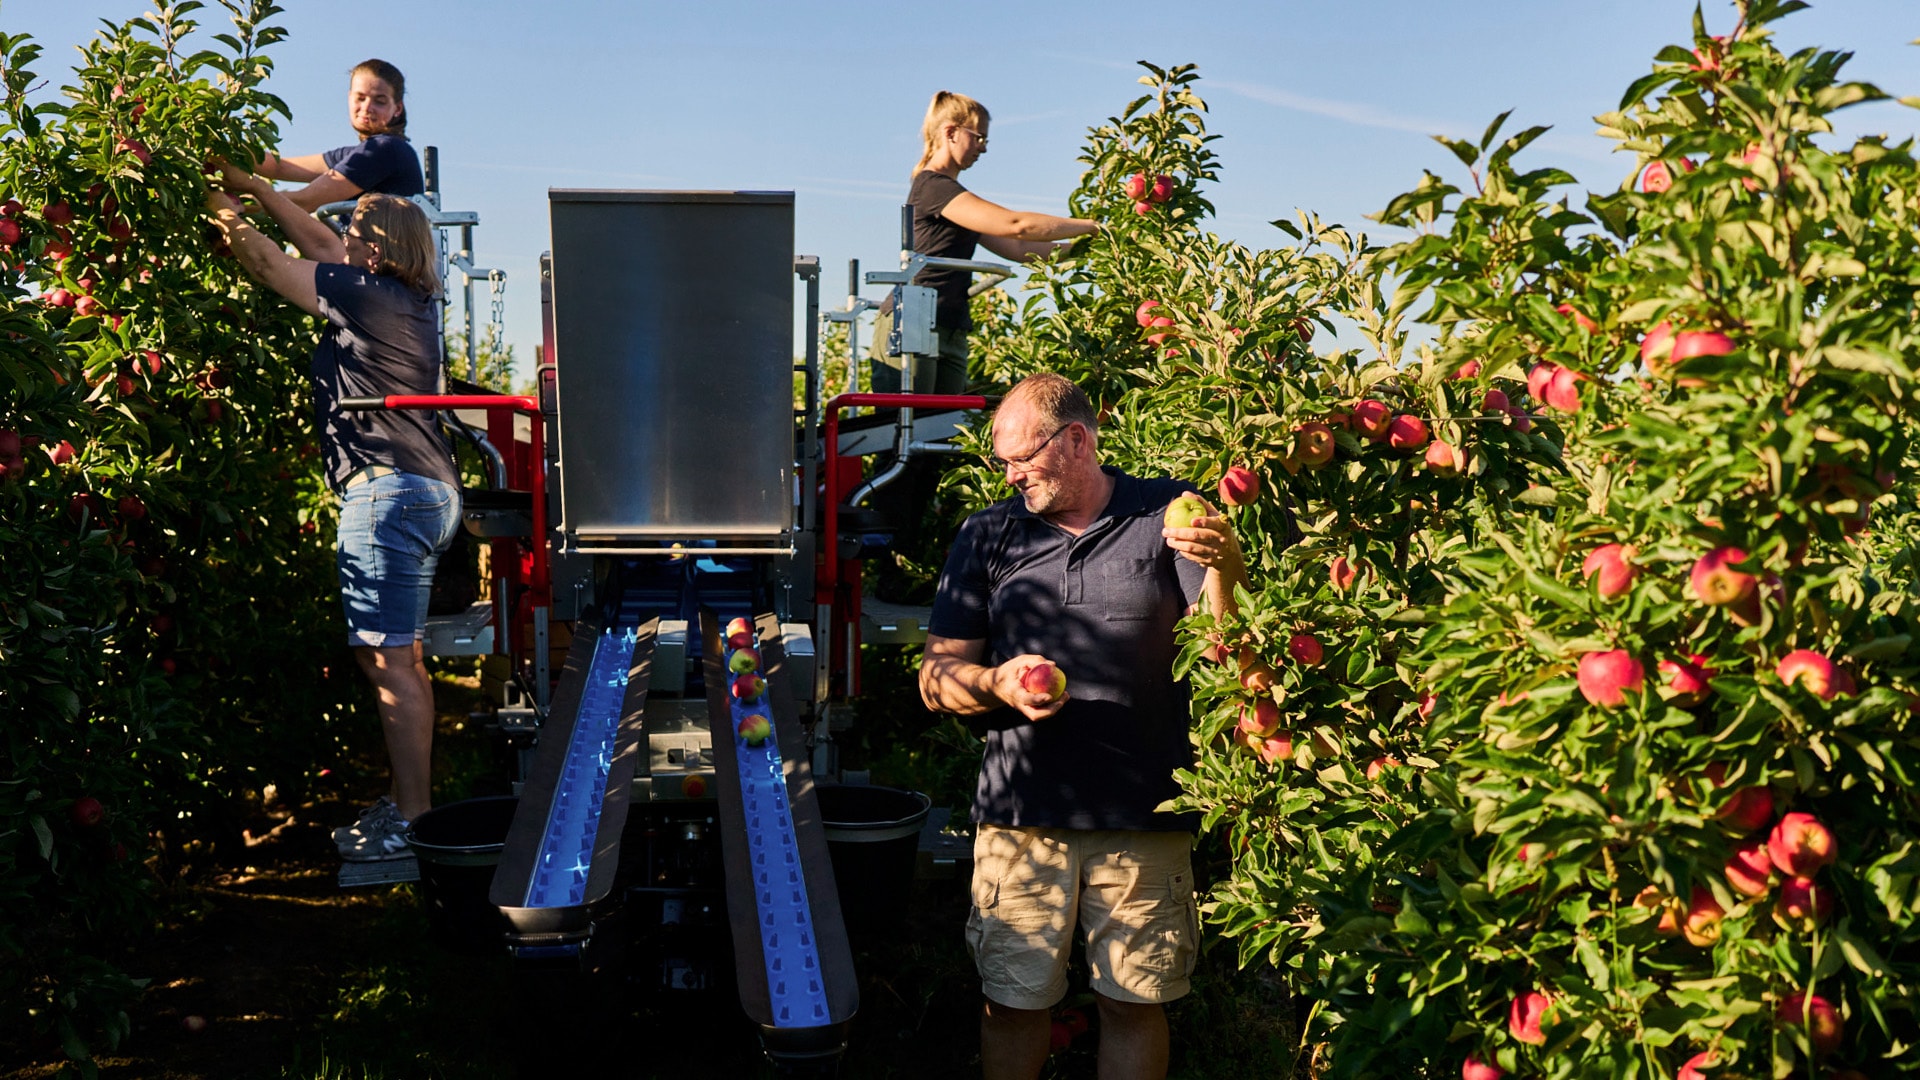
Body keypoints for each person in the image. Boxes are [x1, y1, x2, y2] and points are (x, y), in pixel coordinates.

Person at [918, 373, 1249, 1080]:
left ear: (1075, 440)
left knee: (1134, 1003)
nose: (1010, 477)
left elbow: (1220, 648)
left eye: (1021, 459)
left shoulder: (1166, 509)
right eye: (1000, 463)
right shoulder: (988, 534)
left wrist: (1225, 567)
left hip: (1143, 811)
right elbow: (936, 678)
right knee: (1012, 1002)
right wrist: (995, 683)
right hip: (1022, 819)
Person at [205, 172, 460, 861]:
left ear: (375, 251)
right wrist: (258, 187)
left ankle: (411, 823)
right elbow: (316, 237)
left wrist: (215, 205)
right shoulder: (399, 296)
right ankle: (410, 808)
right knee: (399, 657)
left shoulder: (361, 290)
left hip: (387, 492)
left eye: (356, 230)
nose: (342, 236)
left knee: (386, 662)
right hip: (423, 491)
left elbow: (269, 262)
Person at [875, 91, 1100, 396]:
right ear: (951, 132)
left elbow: (1018, 249)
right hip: (914, 322)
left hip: (951, 325)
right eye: (979, 137)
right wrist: (1091, 227)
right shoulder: (933, 187)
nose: (982, 148)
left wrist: (1087, 250)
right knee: (908, 431)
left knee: (944, 434)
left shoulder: (953, 196)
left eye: (986, 141)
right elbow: (1017, 225)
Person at [250, 59, 424, 213]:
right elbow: (280, 167)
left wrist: (240, 204)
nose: (367, 107)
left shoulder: (383, 149)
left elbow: (305, 201)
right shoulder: (358, 154)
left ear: (398, 109)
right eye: (360, 98)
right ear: (349, 97)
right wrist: (228, 152)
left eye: (379, 101)